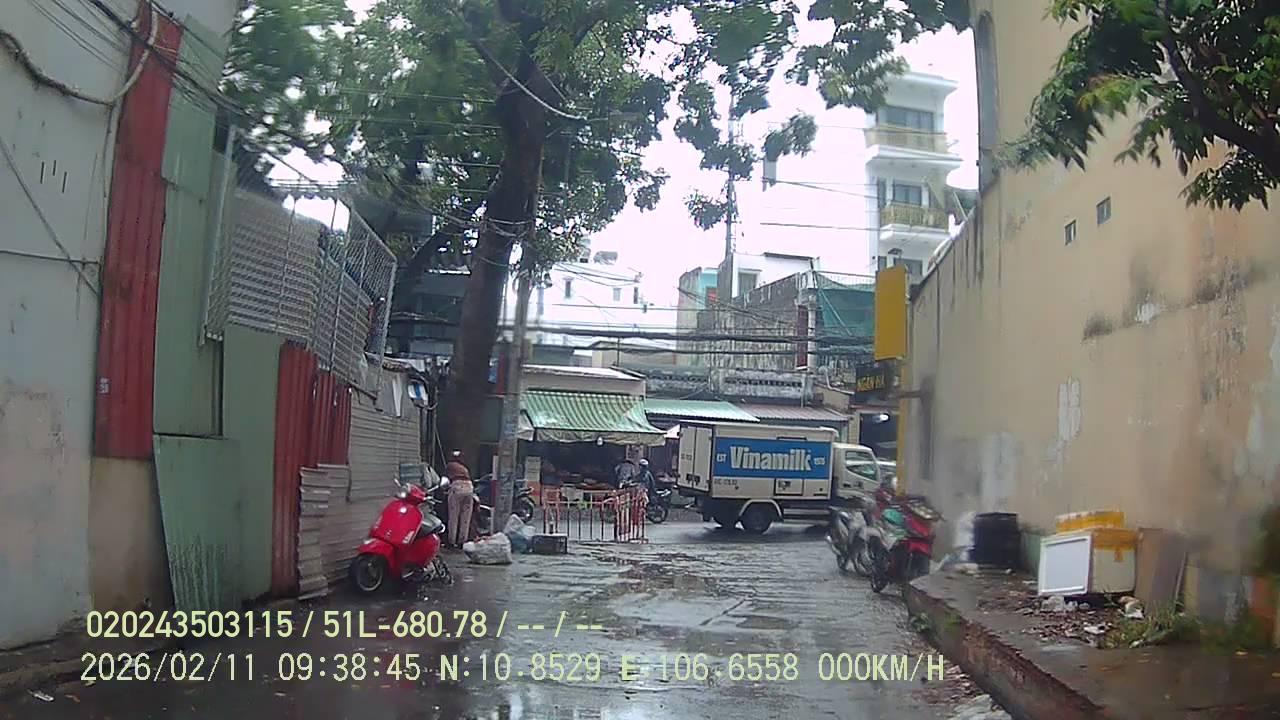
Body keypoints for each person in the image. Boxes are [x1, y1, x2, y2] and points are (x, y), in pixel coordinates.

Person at [444, 451, 473, 548]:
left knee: (454, 516)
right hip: (469, 488)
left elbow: (445, 479)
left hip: (457, 487)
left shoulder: (450, 465)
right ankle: (462, 541)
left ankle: (451, 541)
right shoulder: (464, 468)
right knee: (465, 517)